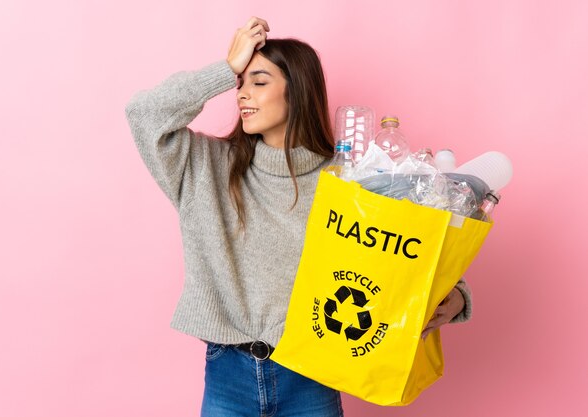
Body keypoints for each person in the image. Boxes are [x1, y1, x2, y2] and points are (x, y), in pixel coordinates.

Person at [125, 16, 472, 417]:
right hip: (228, 376)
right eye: (240, 83)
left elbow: (400, 251)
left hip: (309, 378)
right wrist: (226, 69)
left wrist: (457, 295)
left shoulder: (346, 178)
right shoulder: (206, 167)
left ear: (298, 92)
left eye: (258, 81)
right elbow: (143, 113)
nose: (241, 94)